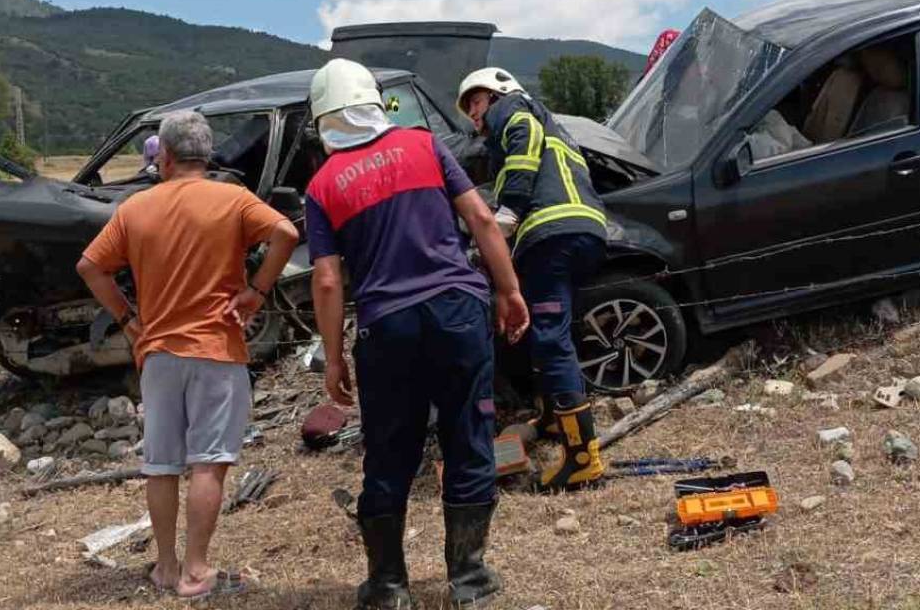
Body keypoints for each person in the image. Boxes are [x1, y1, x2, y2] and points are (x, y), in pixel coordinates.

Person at [305, 58, 529, 609]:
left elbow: (328, 278)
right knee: (467, 438)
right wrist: (509, 290)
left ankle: (387, 587)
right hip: (457, 311)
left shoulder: (322, 185)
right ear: (375, 103)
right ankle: (469, 581)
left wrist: (333, 360)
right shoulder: (424, 145)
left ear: (322, 119)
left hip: (387, 328)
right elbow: (480, 218)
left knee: (388, 451)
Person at [76, 110, 299, 599]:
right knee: (208, 463)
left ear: (167, 157)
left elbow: (90, 266)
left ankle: (166, 567)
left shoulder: (136, 208)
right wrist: (258, 291)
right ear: (206, 155)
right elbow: (286, 233)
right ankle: (197, 571)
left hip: (157, 353)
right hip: (218, 349)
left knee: (161, 464)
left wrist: (129, 323)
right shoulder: (234, 199)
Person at [457, 67, 610, 492]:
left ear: (499, 92)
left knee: (548, 339)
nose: (473, 112)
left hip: (550, 232)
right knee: (553, 330)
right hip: (585, 229)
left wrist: (508, 210)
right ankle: (551, 416)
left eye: (476, 100)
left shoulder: (516, 110)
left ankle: (583, 458)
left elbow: (522, 140)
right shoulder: (556, 126)